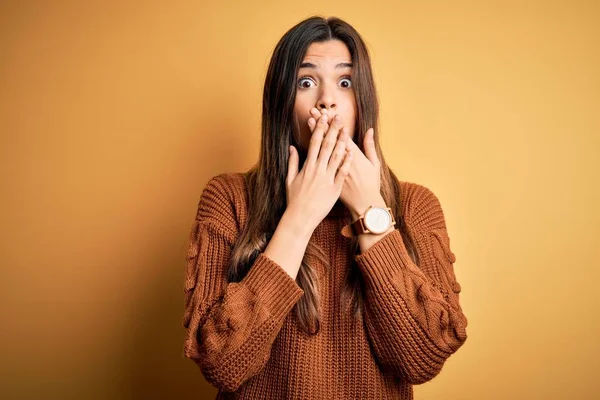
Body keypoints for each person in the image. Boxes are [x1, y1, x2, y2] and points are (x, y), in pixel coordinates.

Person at [182, 15, 468, 400]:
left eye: (345, 82)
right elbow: (220, 361)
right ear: (282, 104)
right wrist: (298, 219)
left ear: (363, 101)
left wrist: (369, 210)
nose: (327, 99)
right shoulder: (229, 198)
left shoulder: (417, 205)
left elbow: (424, 357)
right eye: (306, 82)